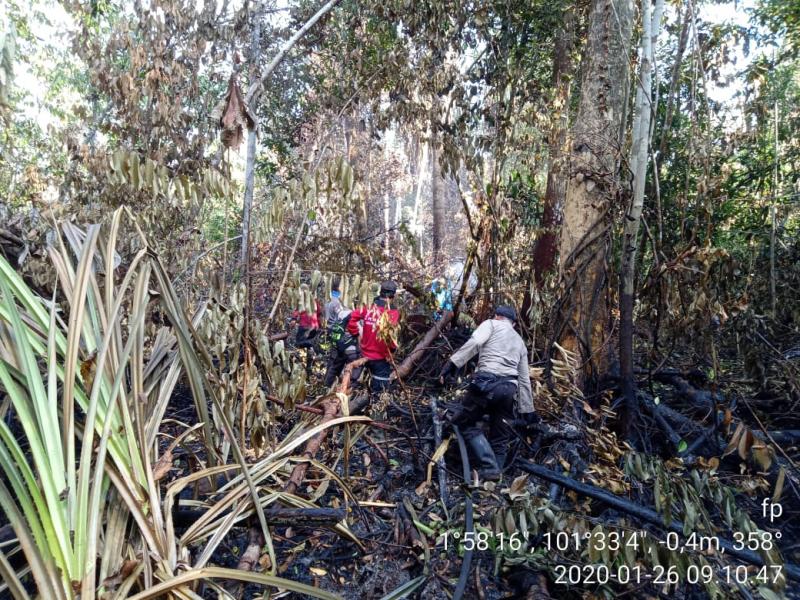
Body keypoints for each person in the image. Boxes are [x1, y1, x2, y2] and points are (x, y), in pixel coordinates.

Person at [439, 305, 537, 480]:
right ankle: (494, 480)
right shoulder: (520, 342)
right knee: (500, 436)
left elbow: (476, 342)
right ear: (513, 324)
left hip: (485, 384)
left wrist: (453, 363)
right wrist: (528, 410)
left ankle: (489, 467)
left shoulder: (491, 324)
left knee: (466, 424)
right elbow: (524, 378)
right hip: (508, 389)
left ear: (497, 316)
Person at [349, 281, 400, 395]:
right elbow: (391, 338)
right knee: (380, 393)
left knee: (357, 386)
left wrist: (356, 335)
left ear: (380, 292)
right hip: (380, 359)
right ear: (393, 295)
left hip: (363, 354)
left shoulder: (369, 307)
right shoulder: (392, 312)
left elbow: (351, 318)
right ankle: (373, 409)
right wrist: (391, 351)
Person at [323, 307, 363, 387]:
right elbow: (361, 335)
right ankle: (348, 388)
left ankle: (326, 386)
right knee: (353, 370)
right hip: (352, 350)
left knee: (334, 368)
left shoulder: (339, 319)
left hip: (339, 348)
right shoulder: (354, 322)